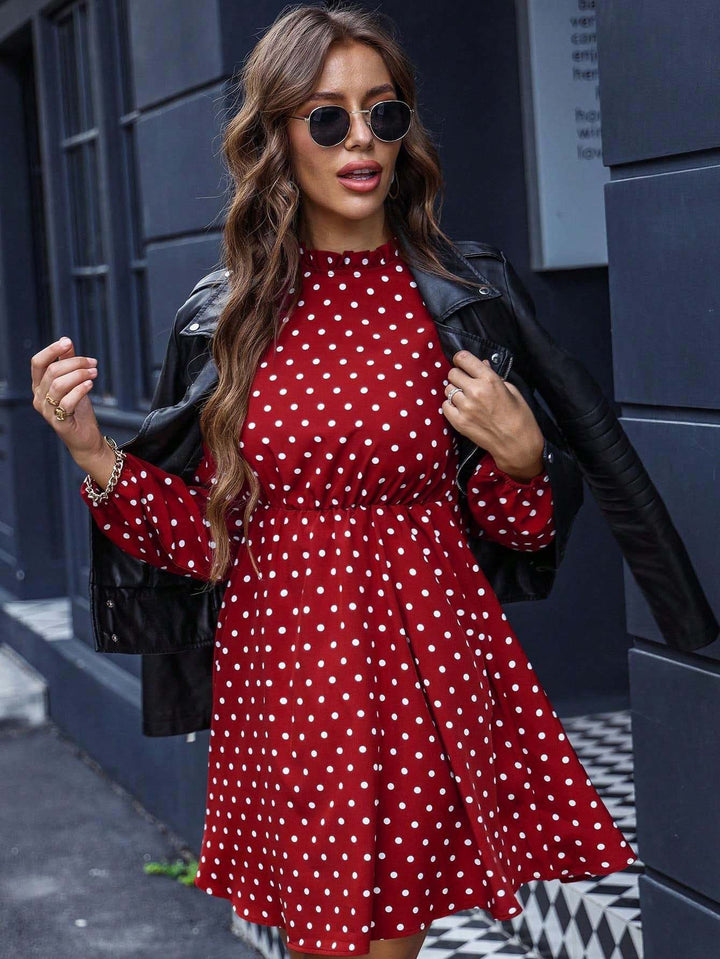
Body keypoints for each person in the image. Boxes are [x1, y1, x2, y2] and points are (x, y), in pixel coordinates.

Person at [30, 4, 639, 958]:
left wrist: (525, 460)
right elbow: (207, 540)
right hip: (290, 675)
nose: (362, 141)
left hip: (427, 663)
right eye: (328, 117)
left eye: (384, 115)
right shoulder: (226, 316)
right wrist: (90, 453)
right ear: (278, 136)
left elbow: (512, 531)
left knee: (381, 942)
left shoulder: (458, 296)